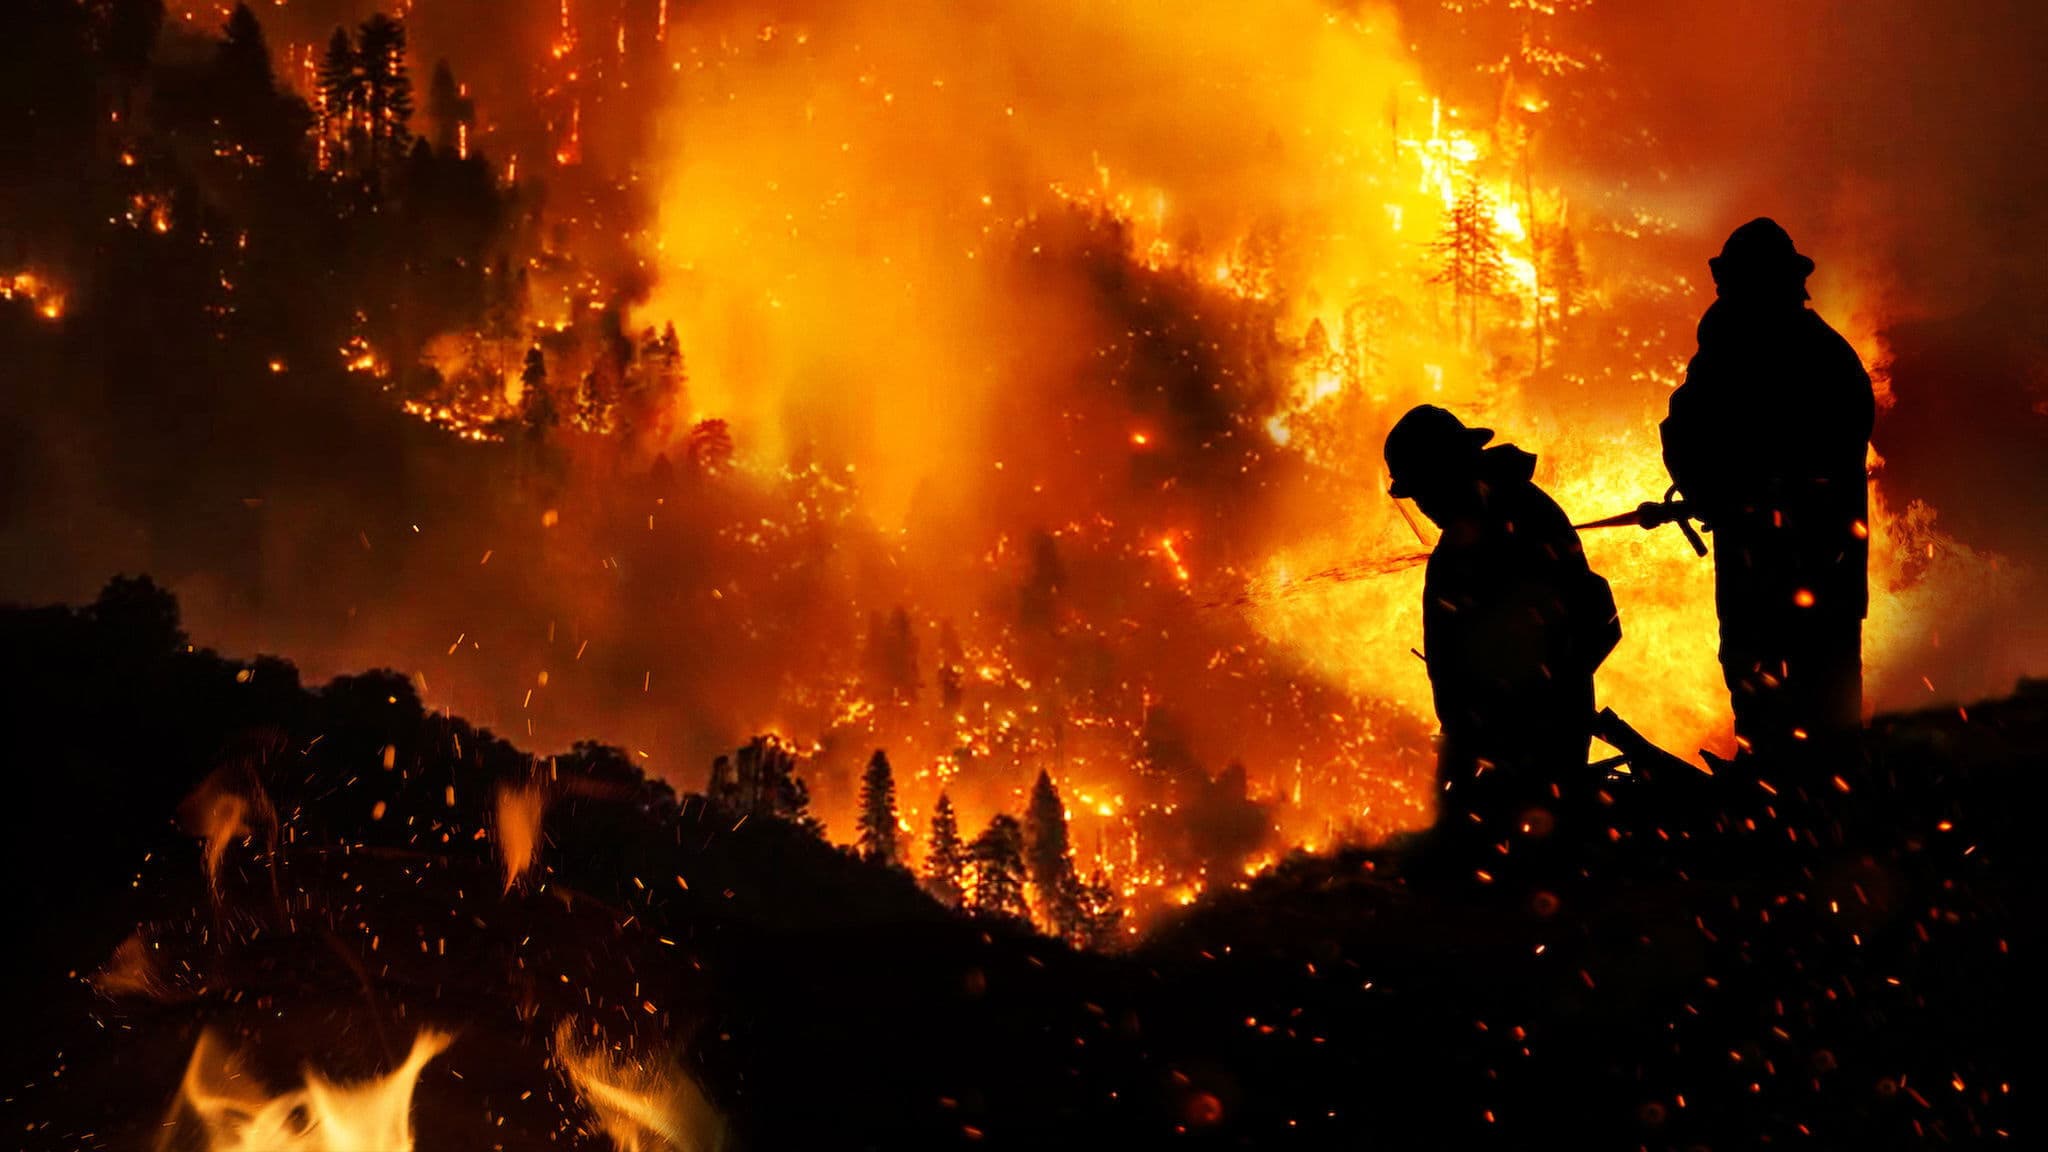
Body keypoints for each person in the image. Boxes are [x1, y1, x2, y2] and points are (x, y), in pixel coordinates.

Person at [1661, 219, 1874, 758]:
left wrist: (1742, 492)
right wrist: (1712, 489)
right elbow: (1684, 431)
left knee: (1821, 705)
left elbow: (1833, 448)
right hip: (1776, 569)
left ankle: (1817, 815)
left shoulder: (1819, 359)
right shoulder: (1724, 356)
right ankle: (1779, 807)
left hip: (1811, 568)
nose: (1725, 293)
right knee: (1765, 696)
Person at [1385, 405, 1620, 842]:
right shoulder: (1490, 524)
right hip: (1509, 740)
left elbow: (1592, 620)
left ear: (1447, 471)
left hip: (1530, 744)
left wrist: (1525, 711)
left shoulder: (1511, 523)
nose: (1422, 504)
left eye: (1423, 490)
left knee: (1513, 863)